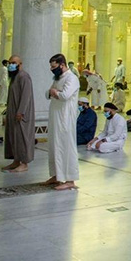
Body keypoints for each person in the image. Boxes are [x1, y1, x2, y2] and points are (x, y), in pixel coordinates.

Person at [43, 53, 80, 191]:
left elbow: (64, 96)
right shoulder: (58, 78)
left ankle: (70, 180)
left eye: (54, 66)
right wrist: (53, 92)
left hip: (65, 119)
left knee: (66, 147)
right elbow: (47, 93)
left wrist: (55, 92)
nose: (52, 69)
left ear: (62, 65)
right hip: (55, 117)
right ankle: (56, 175)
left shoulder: (72, 78)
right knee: (54, 146)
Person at [1, 56, 34, 172]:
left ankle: (24, 163)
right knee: (13, 137)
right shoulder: (15, 77)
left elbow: (26, 96)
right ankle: (16, 161)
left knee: (21, 137)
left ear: (20, 64)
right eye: (10, 63)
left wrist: (21, 111)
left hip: (21, 114)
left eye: (13, 63)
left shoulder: (24, 76)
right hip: (12, 113)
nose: (11, 65)